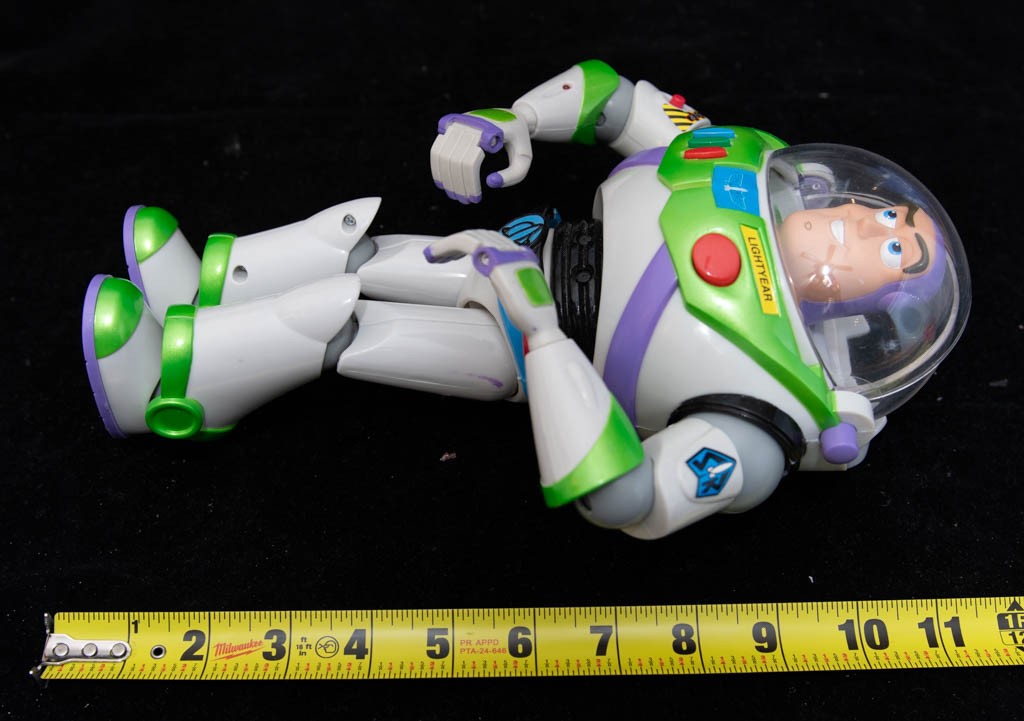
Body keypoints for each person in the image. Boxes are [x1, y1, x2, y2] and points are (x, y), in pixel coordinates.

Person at [82, 60, 971, 539]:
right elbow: (611, 97)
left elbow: (629, 498)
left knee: (344, 323)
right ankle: (206, 286)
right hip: (525, 250)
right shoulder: (744, 156)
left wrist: (542, 336)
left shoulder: (776, 403)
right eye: (881, 214)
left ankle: (172, 385)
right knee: (354, 247)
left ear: (868, 303)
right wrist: (513, 121)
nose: (865, 227)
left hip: (532, 342)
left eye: (894, 249)